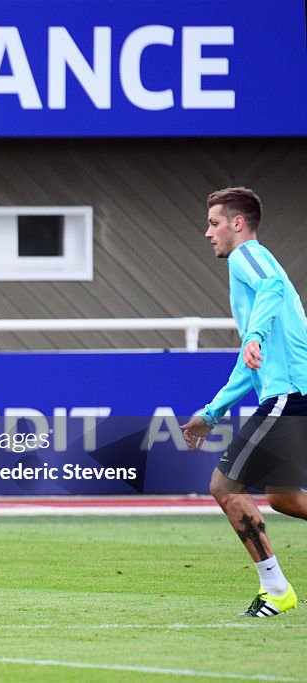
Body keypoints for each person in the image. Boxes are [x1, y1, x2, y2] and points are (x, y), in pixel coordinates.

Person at [180, 187, 307, 617]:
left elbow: (270, 287)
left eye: (214, 222)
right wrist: (212, 412)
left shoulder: (247, 256)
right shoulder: (256, 275)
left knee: (224, 487)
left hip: (288, 397)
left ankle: (276, 590)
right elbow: (248, 365)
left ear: (237, 223)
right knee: (287, 498)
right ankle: (277, 590)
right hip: (294, 393)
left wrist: (252, 336)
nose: (207, 232)